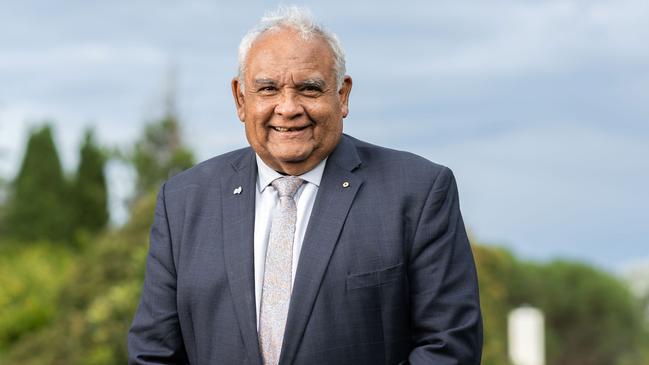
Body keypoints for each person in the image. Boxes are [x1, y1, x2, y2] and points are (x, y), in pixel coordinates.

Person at [128, 6, 482, 365]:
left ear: (342, 96)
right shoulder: (184, 202)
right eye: (267, 89)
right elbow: (154, 353)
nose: (288, 107)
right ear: (240, 99)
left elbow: (449, 348)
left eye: (309, 88)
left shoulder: (417, 192)